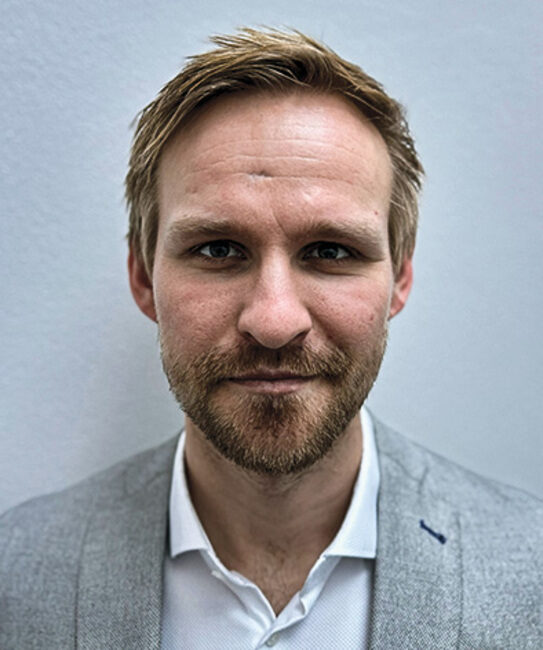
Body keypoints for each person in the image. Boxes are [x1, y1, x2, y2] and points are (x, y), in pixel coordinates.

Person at [1, 28, 541, 650]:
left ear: (400, 278)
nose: (275, 320)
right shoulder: (16, 575)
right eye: (218, 249)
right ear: (144, 277)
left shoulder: (531, 572)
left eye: (330, 251)